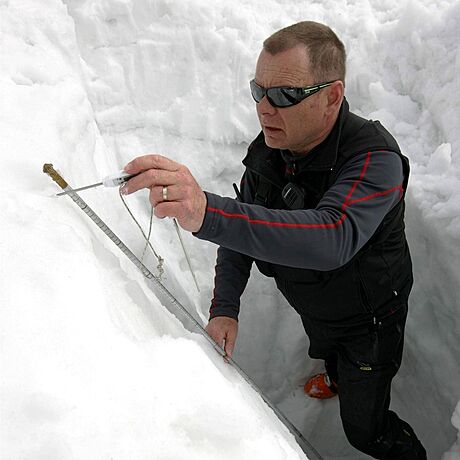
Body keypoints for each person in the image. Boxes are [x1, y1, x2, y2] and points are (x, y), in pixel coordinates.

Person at [121, 21, 426, 459]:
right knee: (328, 352)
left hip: (369, 321)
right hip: (316, 305)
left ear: (332, 96)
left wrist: (207, 212)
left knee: (365, 429)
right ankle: (338, 376)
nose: (265, 108)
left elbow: (331, 236)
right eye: (257, 91)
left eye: (284, 95)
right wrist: (225, 306)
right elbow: (246, 223)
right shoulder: (273, 148)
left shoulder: (375, 158)